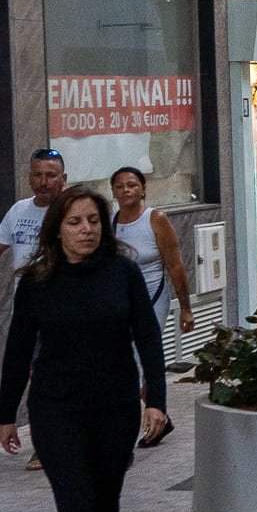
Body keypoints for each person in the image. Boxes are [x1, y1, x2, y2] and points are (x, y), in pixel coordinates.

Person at [0, 186, 169, 512]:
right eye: (74, 222)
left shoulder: (123, 273)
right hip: (56, 408)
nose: (86, 230)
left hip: (113, 404)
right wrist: (6, 414)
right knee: (74, 503)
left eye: (93, 220)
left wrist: (156, 399)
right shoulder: (37, 281)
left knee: (106, 494)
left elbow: (147, 336)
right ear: (58, 229)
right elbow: (17, 349)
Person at [0, 148, 71, 471]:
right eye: (38, 174)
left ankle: (62, 440)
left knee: (56, 378)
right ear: (29, 177)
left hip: (66, 311)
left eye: (51, 175)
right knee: (36, 376)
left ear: (64, 178)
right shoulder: (19, 210)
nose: (44, 182)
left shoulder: (74, 211)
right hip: (27, 311)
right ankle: (45, 442)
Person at [108, 168, 192, 450]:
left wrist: (186, 308)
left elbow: (176, 265)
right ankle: (159, 417)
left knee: (144, 360)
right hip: (121, 302)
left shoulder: (156, 220)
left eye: (132, 185)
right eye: (119, 186)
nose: (126, 190)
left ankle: (149, 418)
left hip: (153, 299)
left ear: (143, 189)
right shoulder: (110, 222)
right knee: (125, 362)